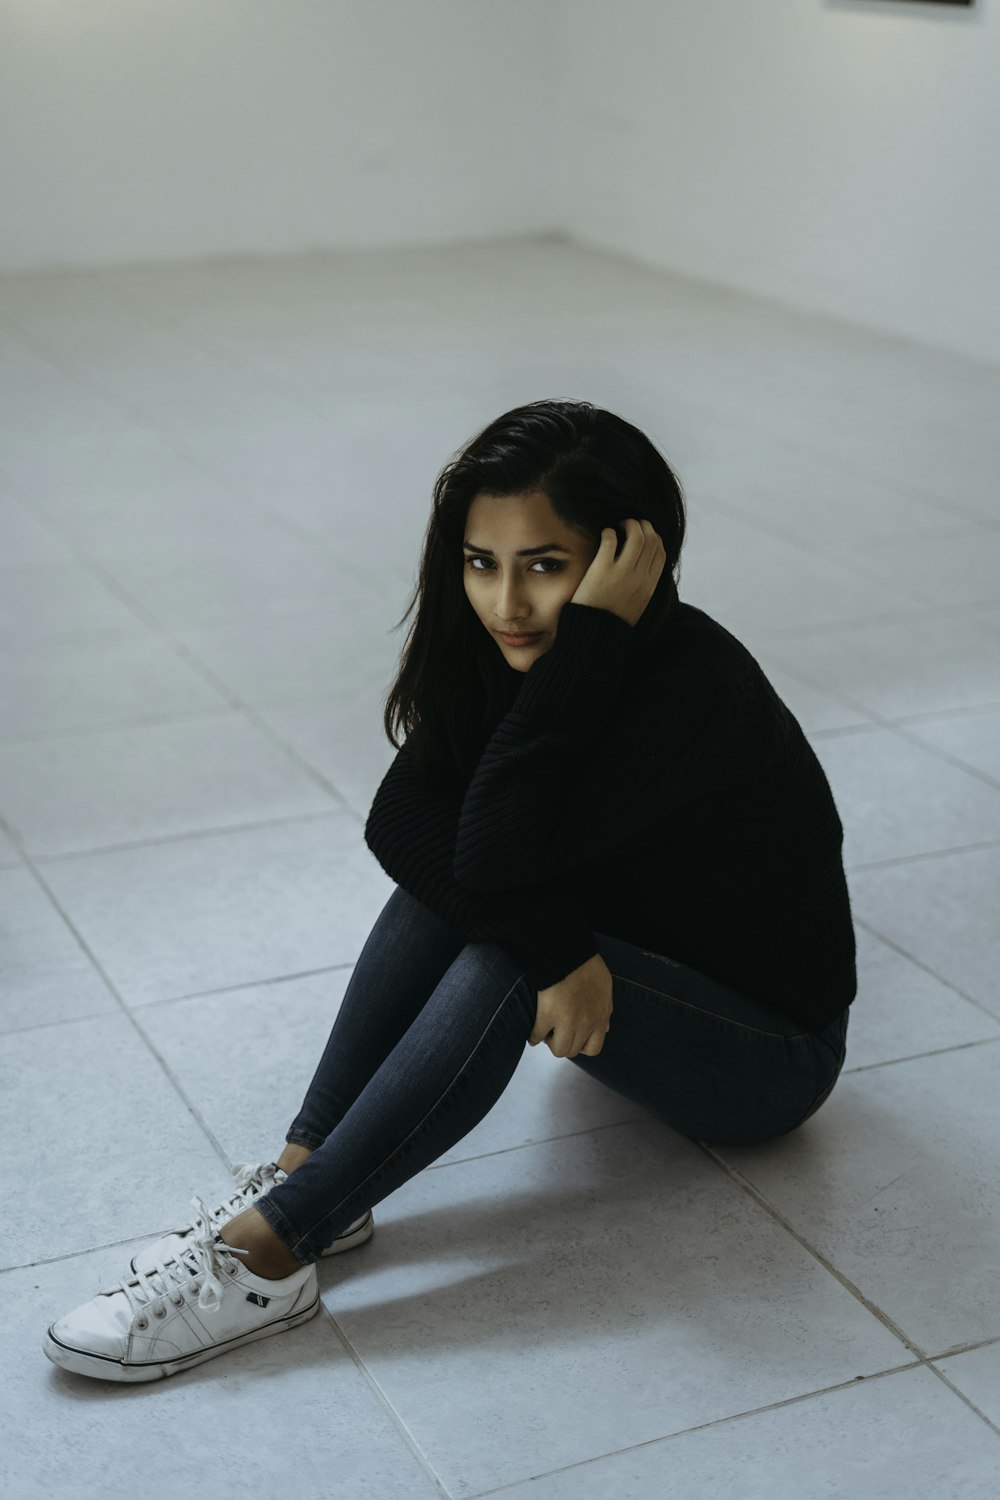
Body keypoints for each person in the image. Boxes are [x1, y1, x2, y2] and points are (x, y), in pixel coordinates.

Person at [44, 399, 856, 1383]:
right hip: (626, 971)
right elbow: (405, 824)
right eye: (481, 562)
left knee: (501, 944)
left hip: (767, 1054)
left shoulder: (692, 692)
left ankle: (269, 1254)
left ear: (623, 562)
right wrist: (564, 943)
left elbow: (496, 850)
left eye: (545, 566)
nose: (506, 604)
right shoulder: (518, 653)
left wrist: (590, 650)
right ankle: (311, 1171)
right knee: (464, 891)